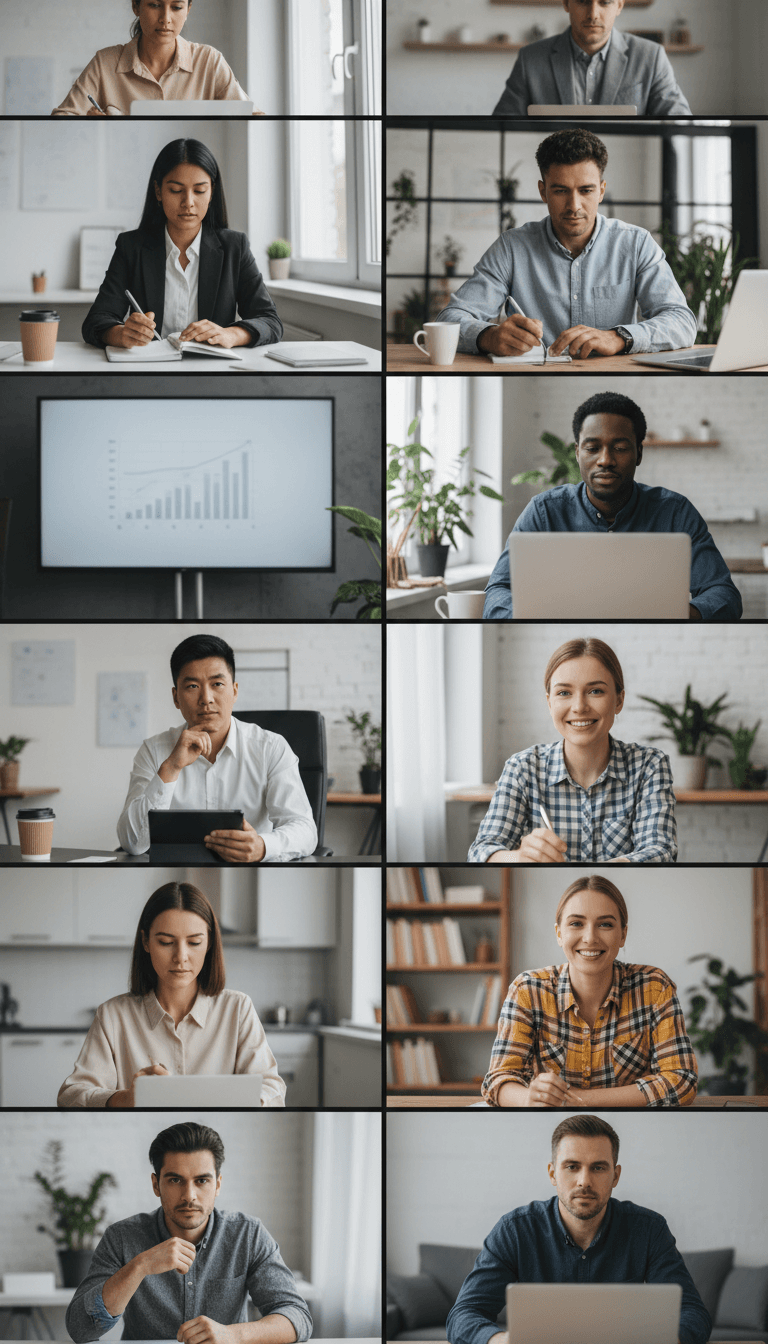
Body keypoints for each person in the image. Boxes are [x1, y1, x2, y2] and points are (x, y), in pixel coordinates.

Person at [445, 1115, 710, 1344]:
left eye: (598, 1168)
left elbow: (692, 1312)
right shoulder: (514, 1230)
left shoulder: (649, 1229)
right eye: (572, 1167)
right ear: (552, 1174)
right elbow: (464, 1314)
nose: (584, 1181)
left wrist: (669, 1339)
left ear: (615, 1176)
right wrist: (501, 1340)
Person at [436, 129, 697, 359]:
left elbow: (682, 322)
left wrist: (619, 337)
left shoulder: (636, 244)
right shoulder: (511, 248)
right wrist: (488, 337)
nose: (574, 206)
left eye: (586, 190)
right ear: (543, 191)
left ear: (601, 191)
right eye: (560, 191)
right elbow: (450, 319)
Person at [484, 391, 743, 621]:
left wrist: (685, 613)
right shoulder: (544, 512)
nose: (605, 460)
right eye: (593, 448)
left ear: (639, 453)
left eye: (619, 448)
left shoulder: (675, 512)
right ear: (577, 454)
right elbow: (497, 591)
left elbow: (724, 594)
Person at [65, 1120, 313, 1344]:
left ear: (217, 1185)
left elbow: (297, 1317)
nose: (189, 1196)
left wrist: (234, 1334)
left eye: (202, 1181)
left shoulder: (248, 1235)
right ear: (156, 1185)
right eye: (175, 1180)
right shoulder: (121, 1238)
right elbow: (80, 1329)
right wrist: (140, 1266)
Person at [57, 882, 286, 1109]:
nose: (181, 956)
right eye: (166, 942)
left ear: (209, 943)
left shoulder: (238, 1009)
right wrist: (125, 1099)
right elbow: (70, 1097)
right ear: (146, 941)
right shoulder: (112, 1015)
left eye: (194, 942)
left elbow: (273, 1091)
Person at [482, 875, 697, 1108]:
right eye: (576, 923)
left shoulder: (654, 988)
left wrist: (579, 1099)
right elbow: (498, 1081)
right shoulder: (527, 990)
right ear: (559, 933)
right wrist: (529, 1098)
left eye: (605, 924)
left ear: (623, 934)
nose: (590, 938)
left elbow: (681, 1081)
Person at [467, 636, 677, 864]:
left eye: (595, 691)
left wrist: (612, 869)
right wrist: (518, 856)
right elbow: (481, 852)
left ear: (618, 700)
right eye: (564, 693)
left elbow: (661, 850)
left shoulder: (650, 765)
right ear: (549, 703)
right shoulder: (522, 768)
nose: (579, 707)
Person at [116, 634, 317, 861]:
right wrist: (171, 767)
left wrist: (263, 846)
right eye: (192, 686)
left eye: (217, 684)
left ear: (234, 690)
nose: (206, 698)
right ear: (176, 697)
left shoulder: (271, 748)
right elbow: (132, 843)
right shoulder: (153, 751)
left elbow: (305, 830)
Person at [82, 138, 282, 351]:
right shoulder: (131, 247)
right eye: (176, 190)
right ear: (158, 192)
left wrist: (230, 334)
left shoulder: (235, 247)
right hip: (151, 371)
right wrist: (121, 334)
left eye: (199, 190)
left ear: (211, 192)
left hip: (211, 372)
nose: (188, 202)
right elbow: (96, 321)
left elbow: (270, 321)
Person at [53, 0, 259, 117]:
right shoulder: (104, 62)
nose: (165, 18)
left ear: (188, 10)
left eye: (176, 7)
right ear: (136, 5)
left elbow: (254, 118)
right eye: (154, 4)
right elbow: (61, 118)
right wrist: (88, 126)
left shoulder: (209, 61)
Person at [492, 0, 691, 117]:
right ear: (566, 3)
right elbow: (501, 124)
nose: (593, 14)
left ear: (620, 5)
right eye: (583, 0)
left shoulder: (651, 57)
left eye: (604, 2)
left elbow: (679, 122)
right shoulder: (531, 60)